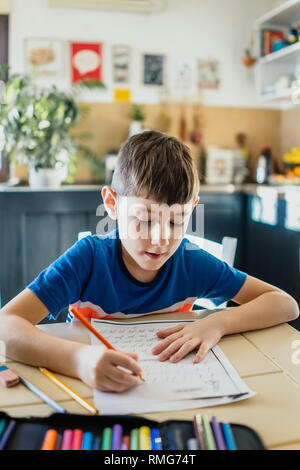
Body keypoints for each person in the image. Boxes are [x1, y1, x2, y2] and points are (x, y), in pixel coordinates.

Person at [0, 131, 298, 393]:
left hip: (168, 389)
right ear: (112, 204)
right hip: (87, 388)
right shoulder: (88, 258)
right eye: (144, 220)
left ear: (192, 210)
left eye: (177, 221)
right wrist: (77, 359)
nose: (161, 240)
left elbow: (284, 304)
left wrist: (218, 322)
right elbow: (6, 324)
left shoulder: (191, 262)